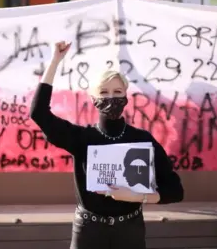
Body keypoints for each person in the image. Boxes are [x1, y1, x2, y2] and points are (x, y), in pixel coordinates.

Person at [30, 41, 184, 249]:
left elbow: (175, 190)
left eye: (117, 91)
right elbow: (38, 113)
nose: (111, 97)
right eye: (103, 92)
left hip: (130, 230)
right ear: (93, 99)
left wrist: (138, 196)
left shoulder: (142, 140)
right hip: (89, 230)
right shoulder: (81, 138)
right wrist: (55, 61)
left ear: (126, 96)